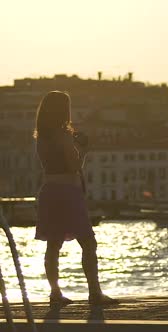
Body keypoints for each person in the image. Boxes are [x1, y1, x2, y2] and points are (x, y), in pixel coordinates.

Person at [34, 91, 117, 305]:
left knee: (53, 245)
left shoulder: (41, 137)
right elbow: (73, 167)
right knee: (88, 242)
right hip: (68, 193)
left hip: (49, 191)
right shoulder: (62, 136)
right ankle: (95, 293)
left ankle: (55, 293)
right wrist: (84, 150)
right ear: (63, 110)